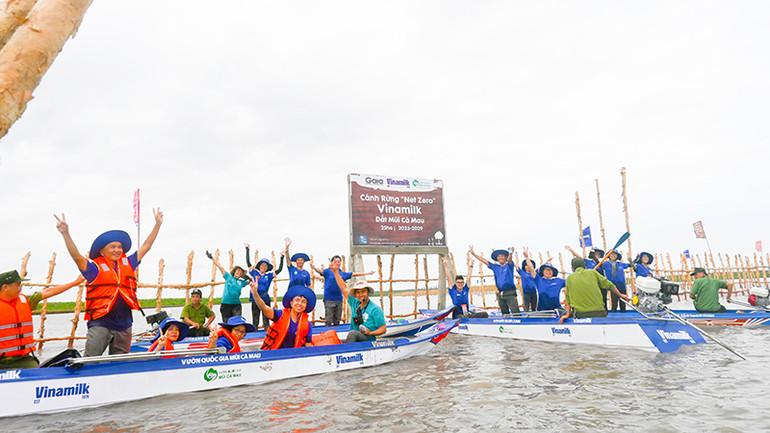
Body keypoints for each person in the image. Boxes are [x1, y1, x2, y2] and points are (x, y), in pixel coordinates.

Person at [55, 209, 163, 357]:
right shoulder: (94, 269)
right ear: (102, 252)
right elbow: (76, 256)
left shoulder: (129, 263)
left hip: (125, 323)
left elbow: (146, 246)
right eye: (113, 247)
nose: (117, 250)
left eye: (119, 247)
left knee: (120, 362)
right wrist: (65, 233)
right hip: (101, 323)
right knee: (91, 360)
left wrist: (157, 224)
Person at [0, 270, 83, 370]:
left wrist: (75, 282)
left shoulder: (25, 300)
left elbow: (49, 292)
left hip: (23, 359)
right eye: (17, 285)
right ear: (5, 287)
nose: (20, 288)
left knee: (38, 373)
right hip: (2, 361)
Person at [559, 258, 629, 324]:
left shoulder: (569, 278)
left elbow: (568, 299)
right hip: (599, 313)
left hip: (581, 314)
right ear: (585, 267)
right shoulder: (593, 272)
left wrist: (567, 315)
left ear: (573, 269)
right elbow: (609, 285)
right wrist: (621, 295)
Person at [311, 255, 374, 327]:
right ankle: (327, 334)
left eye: (339, 261)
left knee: (337, 320)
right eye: (336, 261)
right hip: (329, 299)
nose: (337, 263)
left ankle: (337, 333)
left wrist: (368, 273)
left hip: (339, 300)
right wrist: (314, 267)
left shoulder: (343, 274)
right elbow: (320, 271)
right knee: (328, 320)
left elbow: (354, 274)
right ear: (332, 263)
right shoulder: (328, 271)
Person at [252, 284, 315, 350]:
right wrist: (255, 293)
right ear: (291, 303)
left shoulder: (308, 325)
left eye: (303, 301)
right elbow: (264, 308)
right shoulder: (280, 314)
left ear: (306, 305)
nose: (299, 303)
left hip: (294, 356)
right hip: (274, 354)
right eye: (297, 300)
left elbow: (308, 344)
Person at [469, 245, 520, 314]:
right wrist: (473, 253)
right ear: (497, 258)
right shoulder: (495, 267)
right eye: (499, 256)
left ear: (505, 257)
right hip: (501, 294)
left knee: (516, 313)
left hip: (510, 293)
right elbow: (484, 261)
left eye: (502, 256)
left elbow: (510, 260)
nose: (500, 258)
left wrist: (511, 253)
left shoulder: (509, 265)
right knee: (505, 314)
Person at [244, 242, 284, 330]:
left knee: (266, 318)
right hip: (255, 298)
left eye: (265, 266)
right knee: (255, 318)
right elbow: (248, 263)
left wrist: (282, 257)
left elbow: (280, 269)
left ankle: (267, 333)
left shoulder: (269, 275)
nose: (263, 267)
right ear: (259, 266)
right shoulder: (254, 272)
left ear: (267, 267)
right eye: (262, 265)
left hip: (265, 298)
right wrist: (247, 249)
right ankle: (254, 335)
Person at [207, 252, 249, 324]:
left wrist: (248, 278)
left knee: (236, 323)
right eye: (238, 270)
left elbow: (251, 281)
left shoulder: (241, 282)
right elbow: (220, 266)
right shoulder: (228, 276)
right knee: (227, 324)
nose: (239, 272)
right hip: (226, 305)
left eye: (241, 272)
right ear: (234, 271)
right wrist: (212, 258)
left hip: (236, 305)